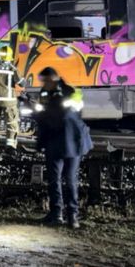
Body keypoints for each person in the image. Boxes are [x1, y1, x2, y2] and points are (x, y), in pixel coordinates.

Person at [34, 67, 92, 229]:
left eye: (44, 81)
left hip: (69, 141)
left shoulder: (70, 92)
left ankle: (71, 216)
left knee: (69, 179)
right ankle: (58, 214)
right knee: (56, 180)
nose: (43, 84)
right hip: (61, 141)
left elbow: (62, 116)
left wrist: (38, 113)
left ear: (52, 79)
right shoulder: (46, 93)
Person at [0, 46, 24, 150]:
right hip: (9, 102)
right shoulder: (12, 69)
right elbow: (22, 83)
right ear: (10, 57)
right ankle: (10, 146)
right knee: (11, 123)